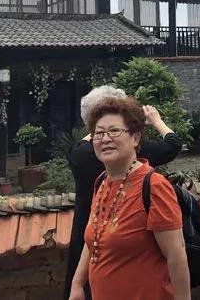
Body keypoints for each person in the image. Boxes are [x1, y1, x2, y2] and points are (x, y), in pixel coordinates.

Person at [64, 85, 182, 299]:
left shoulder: (78, 153)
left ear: (135, 138)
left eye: (114, 130)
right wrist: (157, 121)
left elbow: (176, 256)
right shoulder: (102, 182)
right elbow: (172, 145)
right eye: (100, 132)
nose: (106, 139)